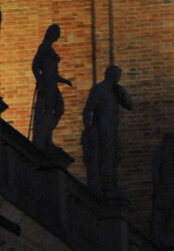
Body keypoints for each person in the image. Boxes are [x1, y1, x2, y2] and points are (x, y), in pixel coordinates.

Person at [81, 65, 133, 198]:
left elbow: (130, 106)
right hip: (102, 128)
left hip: (112, 128)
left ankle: (109, 186)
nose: (118, 78)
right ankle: (106, 187)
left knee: (116, 156)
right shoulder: (99, 89)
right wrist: (89, 128)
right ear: (111, 75)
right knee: (106, 158)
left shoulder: (116, 91)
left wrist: (122, 93)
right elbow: (88, 110)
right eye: (117, 76)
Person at [30, 24, 73, 153]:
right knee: (48, 111)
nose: (58, 36)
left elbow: (53, 72)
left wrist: (64, 80)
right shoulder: (44, 47)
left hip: (53, 83)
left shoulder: (49, 48)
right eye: (57, 33)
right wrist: (40, 81)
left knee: (59, 109)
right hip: (47, 84)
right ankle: (46, 139)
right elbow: (35, 65)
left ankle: (47, 135)